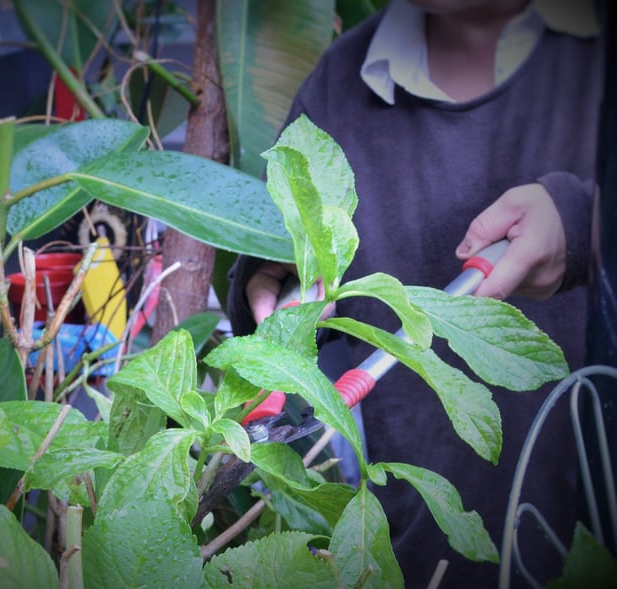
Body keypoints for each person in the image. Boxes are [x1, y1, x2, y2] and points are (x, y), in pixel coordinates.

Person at [227, 0, 604, 587]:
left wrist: (587, 225)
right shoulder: (342, 84)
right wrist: (281, 277)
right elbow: (286, 235)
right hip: (424, 552)